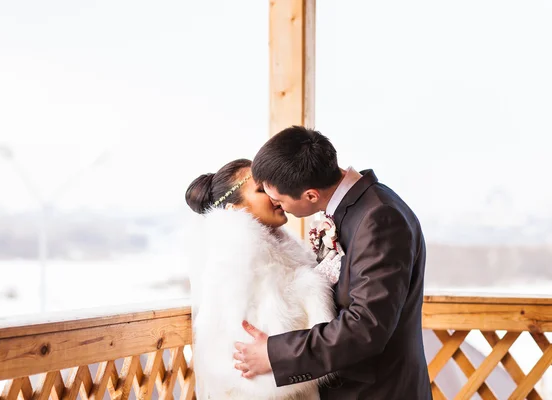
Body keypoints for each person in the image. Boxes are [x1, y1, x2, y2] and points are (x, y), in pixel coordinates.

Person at [233, 126, 433, 400]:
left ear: (311, 195)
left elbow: (368, 326)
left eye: (279, 200)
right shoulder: (360, 208)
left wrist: (274, 353)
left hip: (378, 391)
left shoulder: (379, 218)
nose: (279, 207)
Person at [184, 158, 336, 399]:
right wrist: (314, 285)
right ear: (236, 208)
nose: (275, 193)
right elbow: (247, 352)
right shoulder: (241, 255)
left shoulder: (274, 247)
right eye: (261, 189)